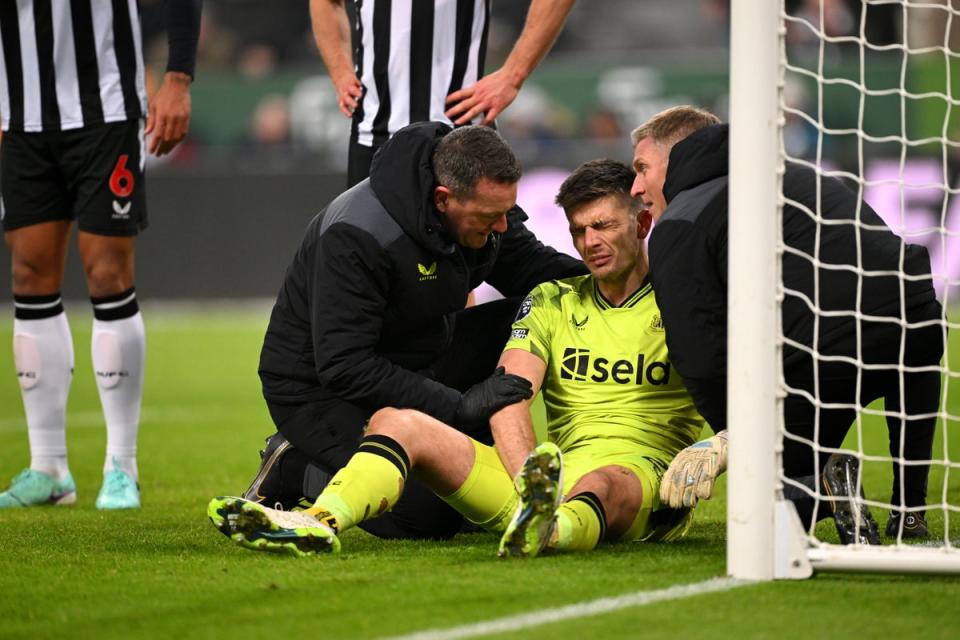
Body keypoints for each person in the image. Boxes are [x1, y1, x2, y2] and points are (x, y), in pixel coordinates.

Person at [208, 159, 706, 557]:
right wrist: (527, 482)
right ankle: (314, 522)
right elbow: (512, 391)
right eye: (578, 231)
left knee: (603, 482)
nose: (589, 242)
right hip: (327, 385)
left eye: (602, 226)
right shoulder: (552, 300)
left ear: (643, 222)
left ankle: (552, 532)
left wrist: (720, 447)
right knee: (400, 425)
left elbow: (737, 384)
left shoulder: (683, 302)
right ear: (445, 200)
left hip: (638, 476)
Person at [241, 122, 585, 541]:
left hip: (419, 356)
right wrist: (459, 407)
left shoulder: (480, 201)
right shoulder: (358, 235)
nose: (500, 228)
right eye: (490, 218)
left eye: (505, 215)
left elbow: (537, 272)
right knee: (425, 517)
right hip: (320, 389)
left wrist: (625, 285)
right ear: (443, 200)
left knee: (539, 310)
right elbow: (345, 365)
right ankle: (295, 465)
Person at [629, 106, 944, 542]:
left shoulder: (682, 218)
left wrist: (735, 433)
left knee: (769, 496)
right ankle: (909, 510)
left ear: (676, 155)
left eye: (642, 168)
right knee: (897, 354)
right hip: (919, 316)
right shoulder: (795, 173)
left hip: (826, 351)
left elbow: (698, 352)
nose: (636, 186)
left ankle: (823, 491)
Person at [0, 0, 201, 510]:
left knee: (108, 273)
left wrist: (178, 76)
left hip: (106, 110)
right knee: (28, 273)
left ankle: (121, 466)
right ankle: (48, 467)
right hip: (19, 115)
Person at [310, 0, 576, 187]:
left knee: (468, 262)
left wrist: (514, 74)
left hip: (458, 132)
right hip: (372, 135)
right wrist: (339, 70)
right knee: (370, 259)